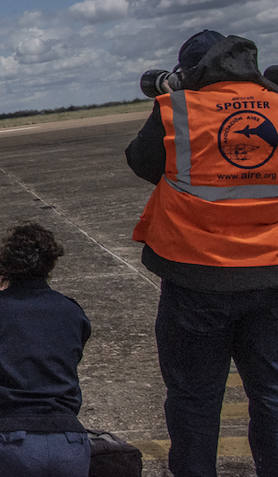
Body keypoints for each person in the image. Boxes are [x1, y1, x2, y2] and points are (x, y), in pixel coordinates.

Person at [125, 29, 278, 477]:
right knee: (271, 394)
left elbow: (143, 162)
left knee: (194, 398)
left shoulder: (177, 110)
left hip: (196, 276)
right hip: (272, 273)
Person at [0, 223, 92, 477]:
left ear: (6, 266)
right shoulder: (72, 312)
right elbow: (72, 354)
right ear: (50, 265)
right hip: (68, 442)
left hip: (8, 442)